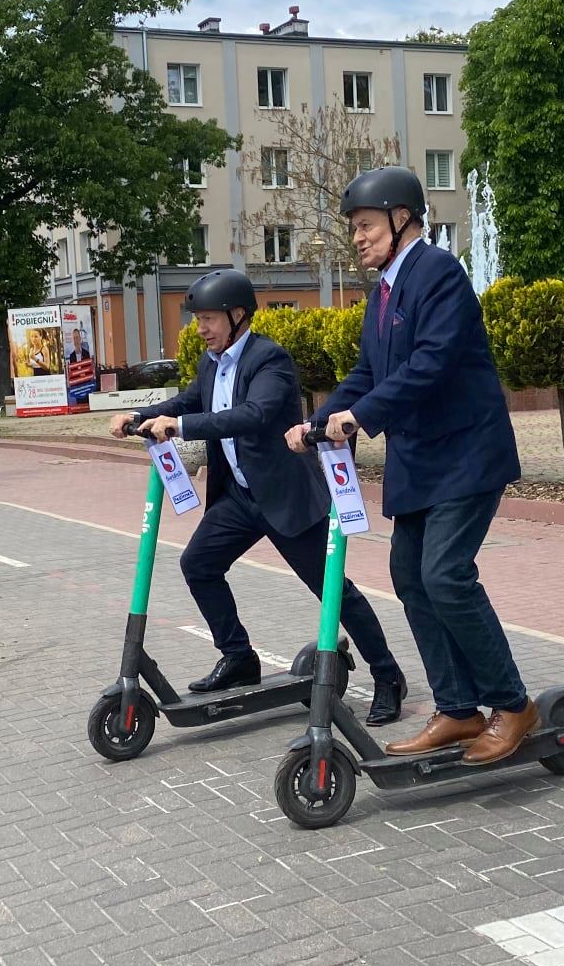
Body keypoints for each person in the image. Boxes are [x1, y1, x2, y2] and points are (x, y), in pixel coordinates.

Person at [285, 166, 536, 765]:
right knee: (410, 576)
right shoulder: (383, 295)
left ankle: (513, 703)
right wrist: (321, 418)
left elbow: (431, 364)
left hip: (467, 454)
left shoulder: (439, 274)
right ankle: (456, 709)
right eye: (354, 228)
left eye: (367, 225)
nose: (358, 238)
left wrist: (360, 417)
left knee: (446, 575)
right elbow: (369, 374)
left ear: (403, 220)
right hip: (421, 463)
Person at [115, 270, 406, 724]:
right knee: (199, 564)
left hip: (285, 497)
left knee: (332, 591)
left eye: (209, 318)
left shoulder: (269, 359)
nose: (201, 328)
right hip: (240, 496)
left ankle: (388, 677)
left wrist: (182, 427)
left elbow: (254, 414)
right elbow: (192, 399)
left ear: (237, 315)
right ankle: (239, 658)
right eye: (198, 320)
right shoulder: (211, 361)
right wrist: (141, 413)